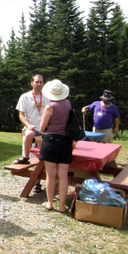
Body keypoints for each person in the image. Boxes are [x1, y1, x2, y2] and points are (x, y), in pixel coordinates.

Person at [39, 79, 72, 213]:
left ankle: (50, 202)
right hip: (66, 140)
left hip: (51, 140)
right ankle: (62, 205)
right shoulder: (68, 104)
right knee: (63, 175)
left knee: (50, 175)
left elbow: (42, 127)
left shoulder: (50, 107)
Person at [13, 74, 49, 193]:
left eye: (41, 82)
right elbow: (21, 115)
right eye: (36, 82)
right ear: (31, 83)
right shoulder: (25, 96)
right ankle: (25, 158)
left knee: (41, 157)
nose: (38, 84)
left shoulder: (48, 96)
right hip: (31, 128)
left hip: (44, 129)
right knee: (29, 136)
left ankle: (37, 183)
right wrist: (28, 125)